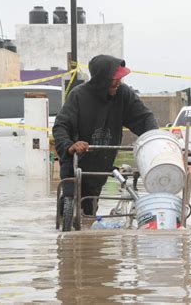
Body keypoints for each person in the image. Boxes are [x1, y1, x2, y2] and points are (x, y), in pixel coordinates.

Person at [53, 54, 158, 215]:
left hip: (100, 164)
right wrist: (70, 146)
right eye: (114, 79)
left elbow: (144, 118)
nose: (118, 82)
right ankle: (63, 229)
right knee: (69, 203)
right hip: (76, 162)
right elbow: (61, 126)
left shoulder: (123, 94)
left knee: (89, 212)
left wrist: (155, 141)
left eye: (119, 79)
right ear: (101, 79)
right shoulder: (78, 95)